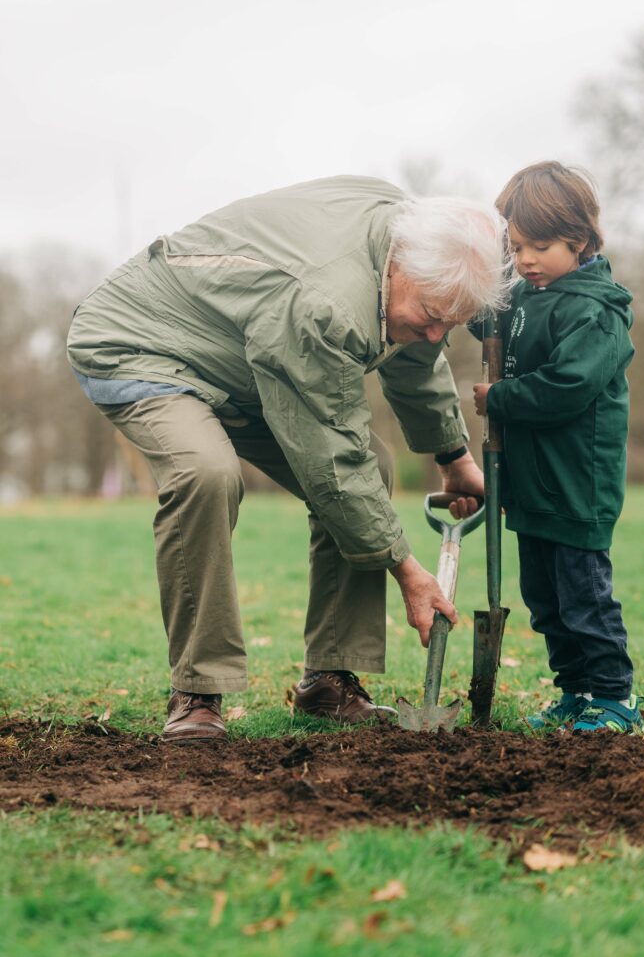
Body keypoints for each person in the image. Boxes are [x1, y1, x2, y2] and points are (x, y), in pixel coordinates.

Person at [67, 175, 509, 742]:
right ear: (399, 266)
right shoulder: (327, 303)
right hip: (140, 343)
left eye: (449, 322)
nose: (434, 332)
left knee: (373, 466)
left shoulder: (406, 238)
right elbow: (332, 461)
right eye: (430, 312)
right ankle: (197, 691)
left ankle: (329, 678)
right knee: (207, 473)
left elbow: (411, 350)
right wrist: (406, 568)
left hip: (242, 356)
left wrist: (452, 455)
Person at [472, 161, 642, 734]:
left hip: (575, 483)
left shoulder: (596, 312)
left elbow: (566, 389)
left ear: (582, 240)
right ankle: (573, 691)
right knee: (545, 601)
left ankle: (615, 696)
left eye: (540, 246)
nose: (525, 260)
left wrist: (499, 397)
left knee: (584, 599)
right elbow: (488, 321)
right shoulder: (522, 296)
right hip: (531, 483)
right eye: (516, 247)